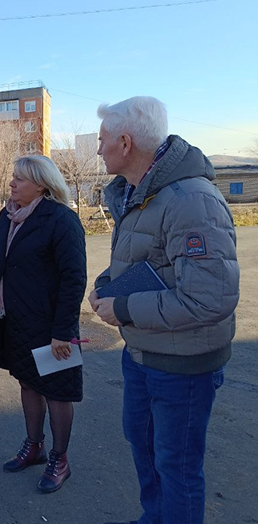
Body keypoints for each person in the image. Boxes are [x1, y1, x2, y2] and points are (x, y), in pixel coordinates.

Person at [89, 96, 239, 524]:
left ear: (124, 141)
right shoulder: (142, 193)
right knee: (145, 447)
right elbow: (148, 260)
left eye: (101, 140)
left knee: (177, 468)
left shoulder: (191, 200)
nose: (98, 149)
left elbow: (209, 299)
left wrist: (123, 307)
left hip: (183, 367)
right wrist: (107, 284)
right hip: (143, 353)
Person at [0, 155, 87, 493]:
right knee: (28, 384)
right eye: (12, 177)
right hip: (17, 321)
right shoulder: (8, 216)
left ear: (42, 184)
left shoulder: (61, 221)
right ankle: (34, 446)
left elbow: (74, 279)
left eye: (20, 179)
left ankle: (60, 458)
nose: (12, 183)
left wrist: (63, 333)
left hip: (54, 327)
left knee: (58, 394)